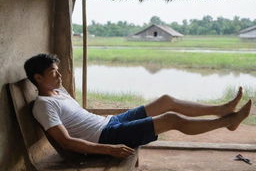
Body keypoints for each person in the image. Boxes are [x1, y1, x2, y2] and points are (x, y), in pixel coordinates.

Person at [24, 53, 252, 159]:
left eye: (58, 71)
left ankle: (221, 109)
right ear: (38, 78)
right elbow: (66, 142)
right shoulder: (43, 106)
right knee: (171, 118)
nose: (60, 77)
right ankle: (228, 122)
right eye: (54, 73)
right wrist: (109, 149)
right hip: (104, 137)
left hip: (109, 123)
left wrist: (111, 120)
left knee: (166, 101)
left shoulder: (58, 91)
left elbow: (79, 117)